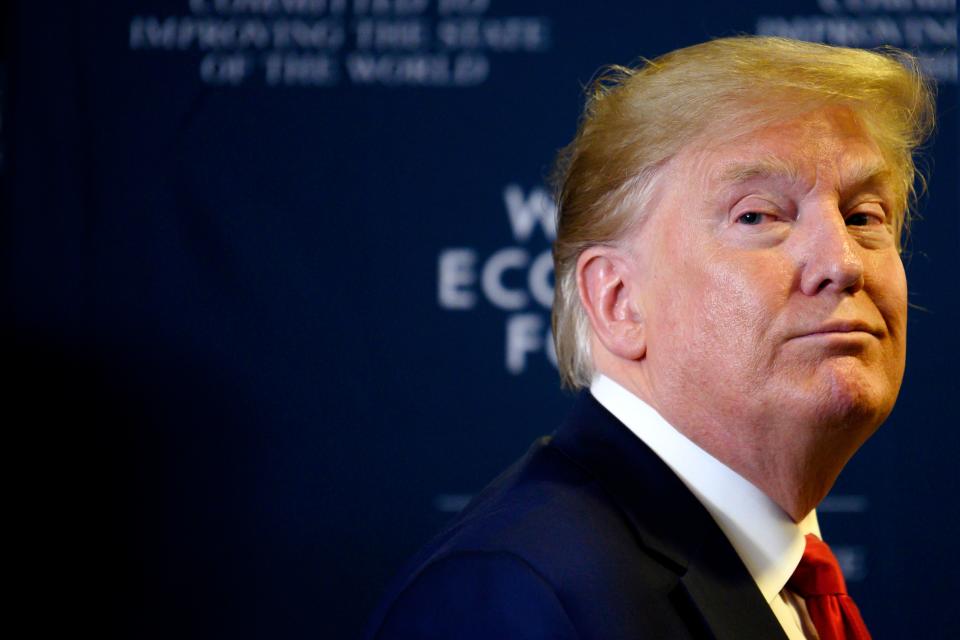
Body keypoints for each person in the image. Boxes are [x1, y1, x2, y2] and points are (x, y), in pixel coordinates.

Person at [365, 36, 935, 640]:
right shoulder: (512, 597)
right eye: (758, 215)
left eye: (863, 216)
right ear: (618, 301)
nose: (843, 262)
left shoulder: (786, 576)